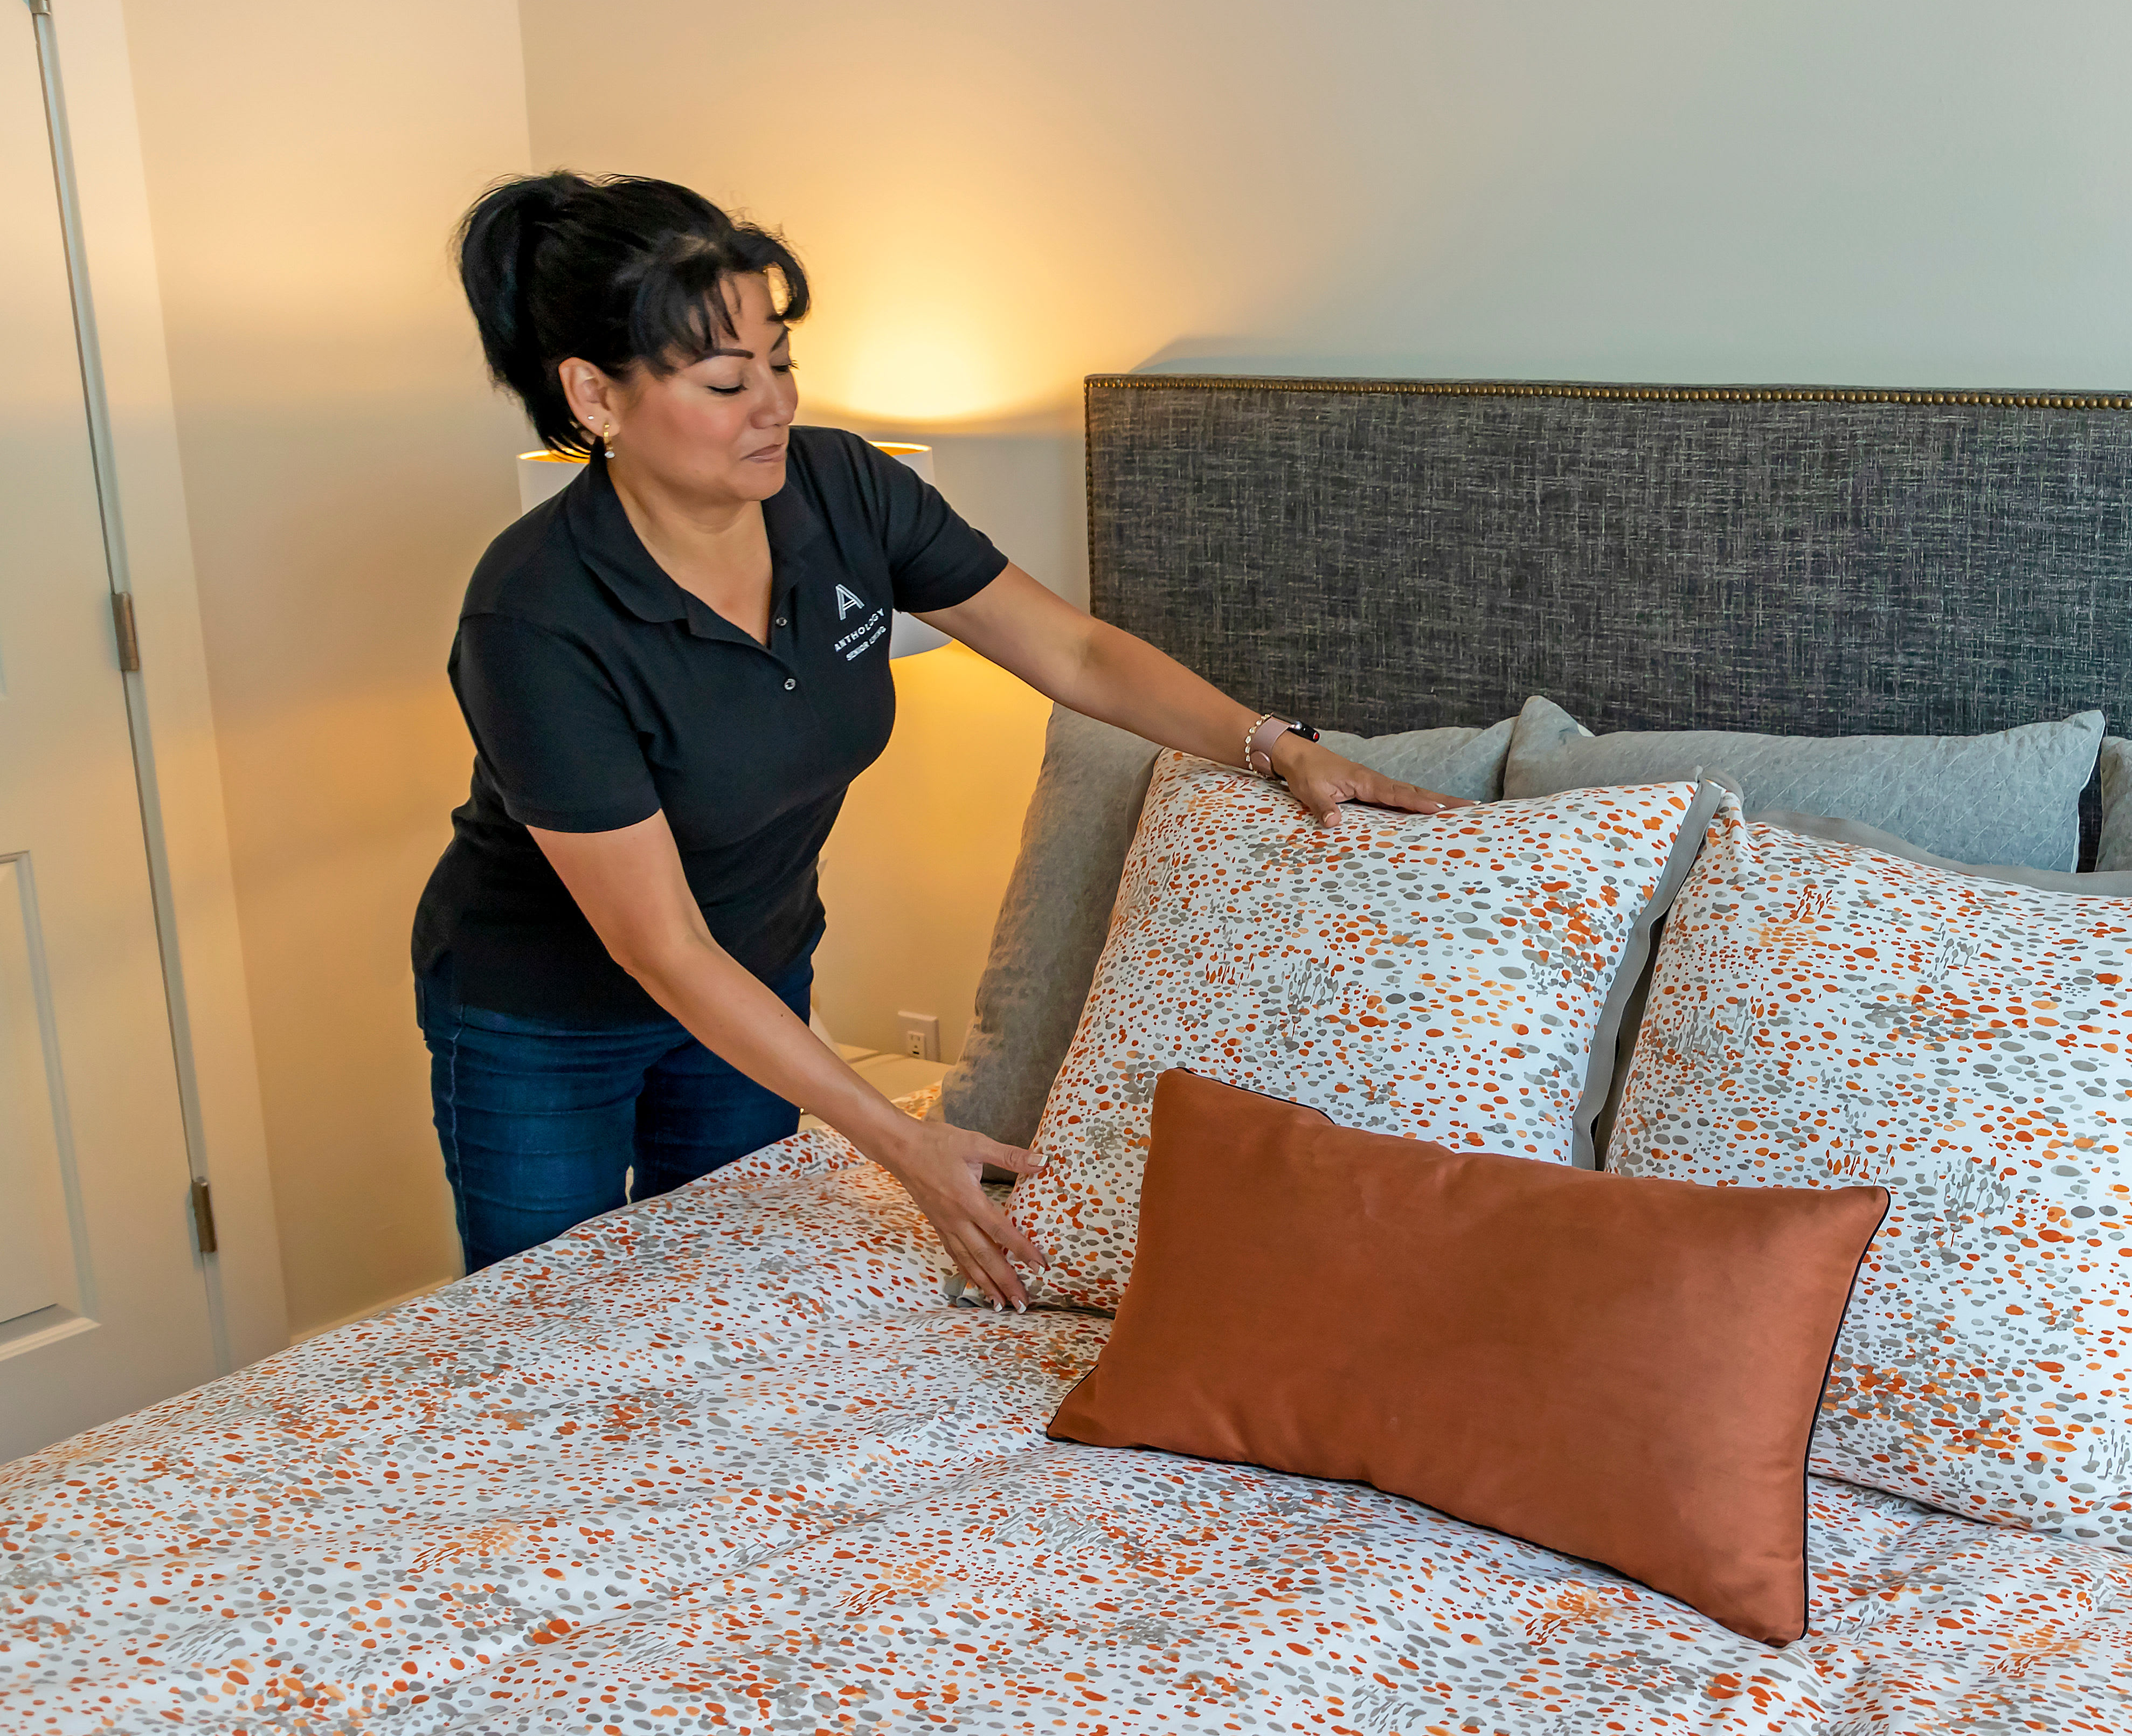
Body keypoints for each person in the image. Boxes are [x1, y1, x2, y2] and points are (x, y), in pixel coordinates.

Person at [410, 171, 1445, 1305]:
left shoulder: (845, 490)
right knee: (541, 1327)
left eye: (780, 362)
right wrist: (899, 1142)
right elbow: (661, 946)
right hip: (544, 1020)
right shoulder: (536, 617)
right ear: (595, 396)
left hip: (754, 973)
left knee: (736, 1291)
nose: (774, 407)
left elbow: (1076, 654)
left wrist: (1274, 743)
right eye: (722, 380)